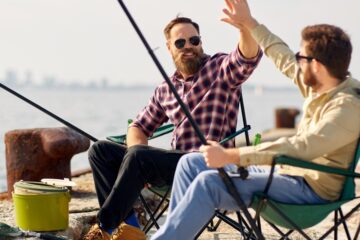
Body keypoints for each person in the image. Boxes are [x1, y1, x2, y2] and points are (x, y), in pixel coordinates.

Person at [150, 0, 360, 239]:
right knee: (191, 163)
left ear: (318, 66)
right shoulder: (323, 83)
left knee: (209, 182)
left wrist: (232, 155)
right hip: (287, 172)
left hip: (309, 188)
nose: (297, 60)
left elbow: (301, 148)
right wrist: (249, 23)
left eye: (302, 57)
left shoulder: (348, 107)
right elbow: (282, 56)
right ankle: (174, 234)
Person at [83, 11, 262, 240]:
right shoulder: (166, 88)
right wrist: (132, 156)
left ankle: (104, 227)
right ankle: (128, 229)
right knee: (101, 150)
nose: (189, 46)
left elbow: (247, 58)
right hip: (173, 166)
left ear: (201, 42)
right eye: (180, 42)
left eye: (194, 40)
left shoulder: (219, 69)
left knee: (138, 157)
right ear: (169, 47)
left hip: (206, 165)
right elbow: (138, 126)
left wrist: (244, 27)